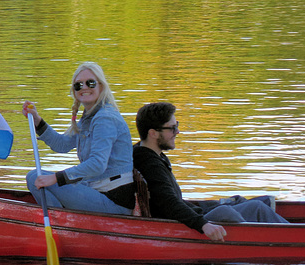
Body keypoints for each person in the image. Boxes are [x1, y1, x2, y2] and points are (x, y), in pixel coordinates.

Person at [133, 102, 288, 242]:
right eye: (172, 128)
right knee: (250, 208)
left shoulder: (149, 154)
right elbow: (168, 203)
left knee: (251, 203)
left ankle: (282, 235)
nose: (178, 131)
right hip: (180, 226)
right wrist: (203, 224)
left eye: (177, 125)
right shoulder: (150, 163)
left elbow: (172, 199)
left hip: (187, 216)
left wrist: (209, 206)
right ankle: (289, 240)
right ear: (153, 133)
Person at [22, 62, 135, 215]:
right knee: (35, 176)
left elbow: (97, 165)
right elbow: (61, 145)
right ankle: (60, 220)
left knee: (36, 177)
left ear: (101, 86)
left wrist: (57, 178)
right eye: (78, 85)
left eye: (90, 83)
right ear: (74, 91)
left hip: (113, 201)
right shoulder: (89, 117)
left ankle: (58, 222)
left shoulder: (105, 118)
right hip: (96, 190)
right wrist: (37, 121)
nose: (84, 88)